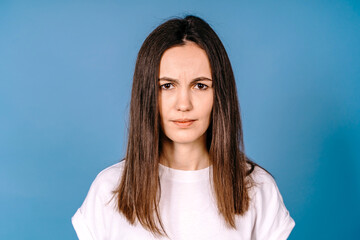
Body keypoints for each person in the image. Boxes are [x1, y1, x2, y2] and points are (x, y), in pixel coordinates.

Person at [71, 15, 295, 240]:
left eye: (200, 86)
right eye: (167, 86)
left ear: (220, 94)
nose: (184, 104)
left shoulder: (257, 189)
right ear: (146, 93)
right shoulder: (109, 189)